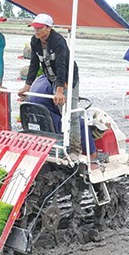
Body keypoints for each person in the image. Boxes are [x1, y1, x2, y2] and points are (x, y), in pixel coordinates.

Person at [18, 13, 82, 159]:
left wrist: (60, 90)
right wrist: (27, 87)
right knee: (57, 108)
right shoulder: (35, 41)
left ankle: (74, 149)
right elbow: (34, 64)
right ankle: (59, 139)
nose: (36, 31)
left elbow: (62, 65)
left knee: (70, 112)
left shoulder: (58, 41)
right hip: (52, 77)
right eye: (35, 28)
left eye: (39, 28)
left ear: (48, 28)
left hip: (67, 77)